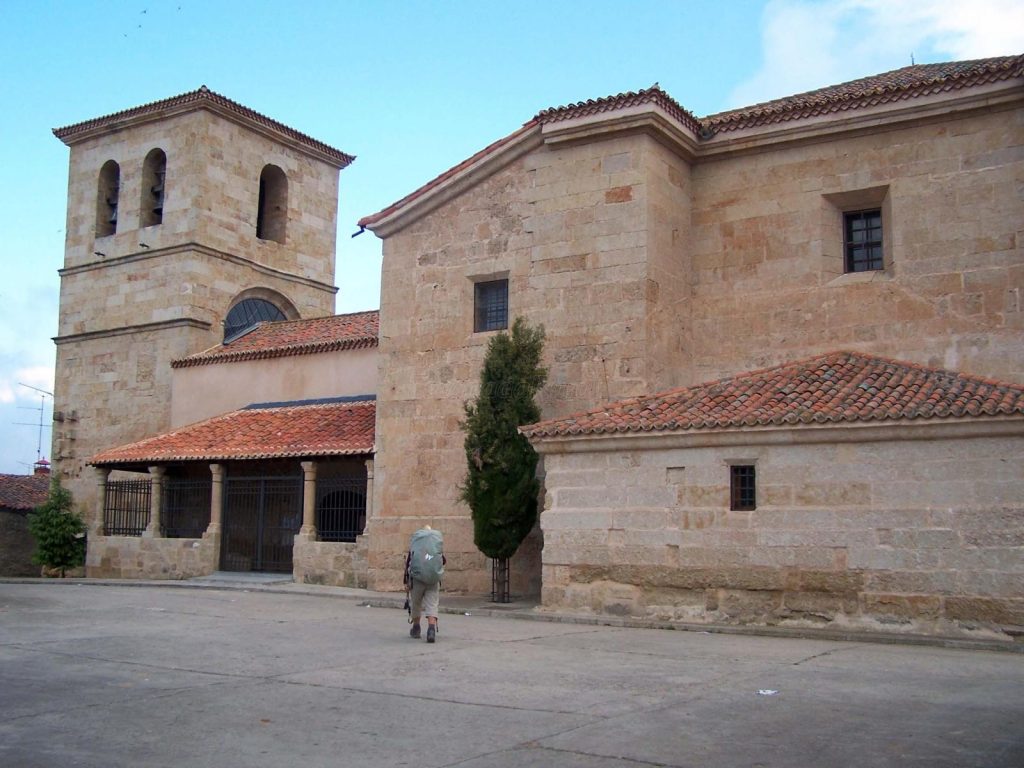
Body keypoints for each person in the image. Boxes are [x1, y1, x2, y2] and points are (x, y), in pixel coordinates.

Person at [404, 525, 445, 643]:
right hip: (433, 580)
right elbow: (443, 561)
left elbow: (408, 563)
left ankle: (416, 628)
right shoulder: (435, 547)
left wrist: (405, 581)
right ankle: (431, 630)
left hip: (417, 580)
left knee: (416, 603)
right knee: (432, 604)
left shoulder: (416, 548)